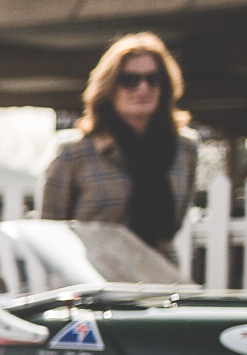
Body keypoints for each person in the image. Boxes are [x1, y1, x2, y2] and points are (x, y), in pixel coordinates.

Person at [39, 32, 199, 254]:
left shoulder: (184, 148)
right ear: (109, 86)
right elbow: (49, 233)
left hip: (160, 269)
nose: (143, 88)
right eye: (130, 80)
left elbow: (175, 222)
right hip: (94, 271)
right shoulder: (74, 152)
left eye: (153, 79)